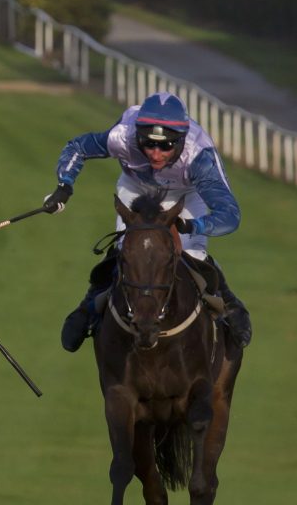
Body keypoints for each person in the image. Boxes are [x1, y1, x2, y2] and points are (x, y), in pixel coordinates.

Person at [43, 91, 252, 351]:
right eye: (148, 143)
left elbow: (230, 215)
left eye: (166, 146)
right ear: (137, 135)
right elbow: (78, 147)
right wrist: (64, 186)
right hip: (137, 188)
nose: (155, 154)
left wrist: (191, 225)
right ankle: (88, 308)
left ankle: (229, 302)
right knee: (127, 254)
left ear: (181, 140)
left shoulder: (200, 157)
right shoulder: (123, 136)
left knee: (192, 254)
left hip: (185, 195)